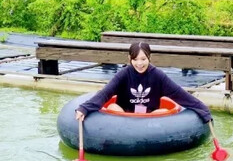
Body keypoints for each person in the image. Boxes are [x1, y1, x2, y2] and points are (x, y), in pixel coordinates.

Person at [75, 42, 212, 125]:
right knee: (112, 105)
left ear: (149, 58)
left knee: (164, 111)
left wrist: (203, 110)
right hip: (124, 116)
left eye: (143, 59)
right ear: (129, 58)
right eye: (135, 59)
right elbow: (105, 93)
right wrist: (84, 108)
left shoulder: (158, 75)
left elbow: (179, 94)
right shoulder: (123, 74)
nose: (139, 64)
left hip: (149, 118)